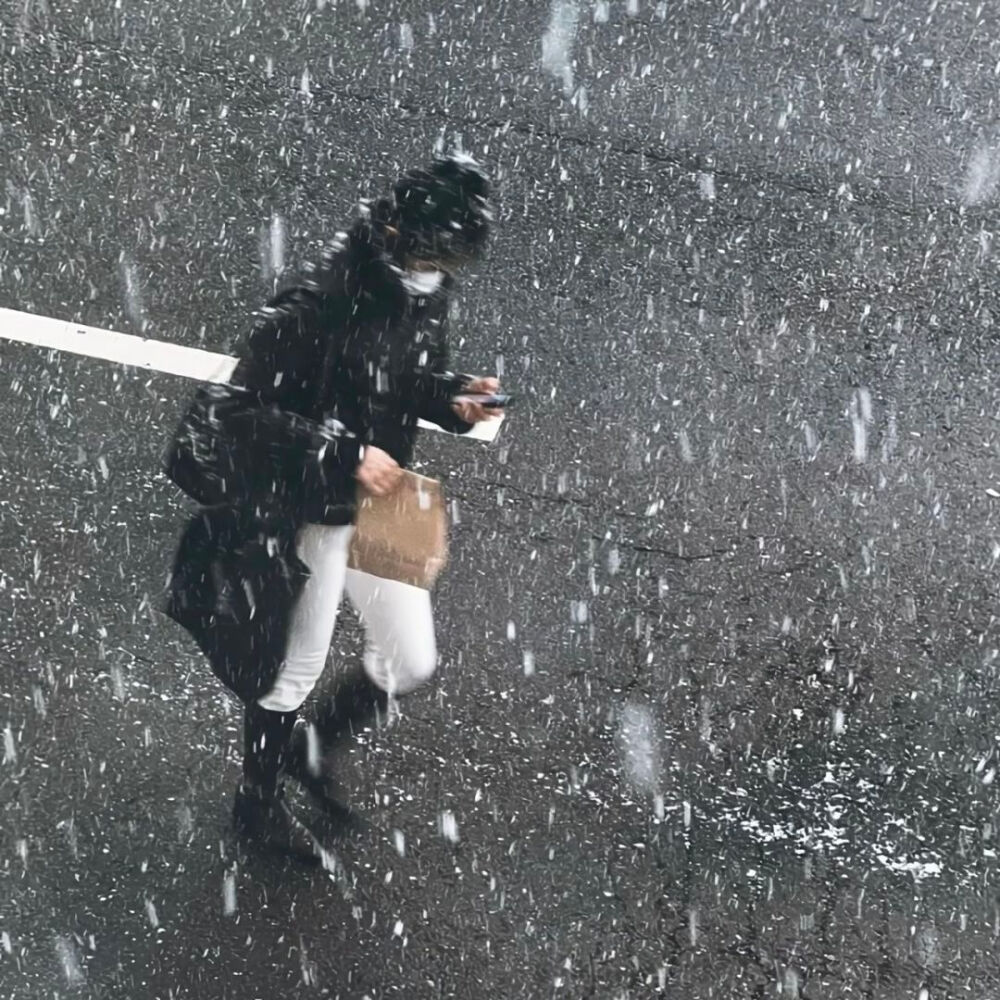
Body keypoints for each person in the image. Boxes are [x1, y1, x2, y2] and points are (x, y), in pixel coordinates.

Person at [163, 155, 500, 862]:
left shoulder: (423, 288)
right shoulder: (319, 302)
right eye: (436, 252)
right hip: (312, 508)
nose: (443, 269)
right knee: (291, 673)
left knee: (410, 658)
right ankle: (254, 811)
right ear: (401, 231)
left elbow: (400, 378)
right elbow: (232, 412)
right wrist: (341, 452)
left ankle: (309, 753)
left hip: (384, 501)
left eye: (455, 259)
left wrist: (452, 399)